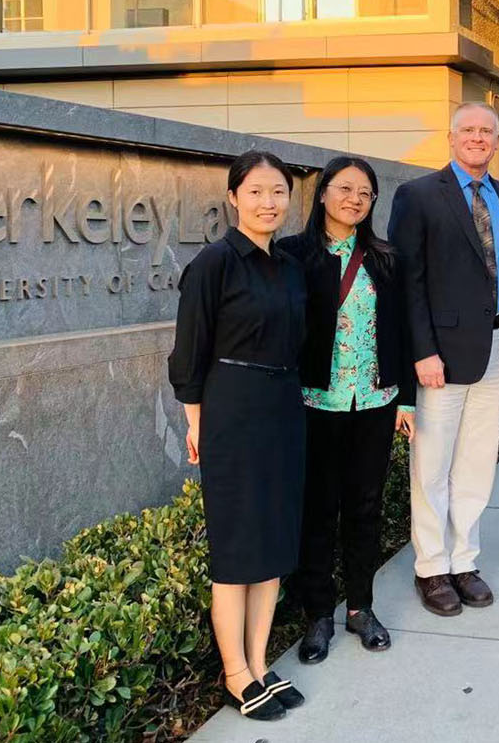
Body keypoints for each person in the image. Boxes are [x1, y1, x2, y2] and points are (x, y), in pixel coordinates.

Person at [169, 150, 308, 722]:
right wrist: (196, 423)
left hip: (283, 407)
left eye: (278, 192)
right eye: (255, 191)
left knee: (272, 542)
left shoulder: (292, 265)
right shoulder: (214, 264)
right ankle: (233, 674)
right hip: (231, 409)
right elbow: (189, 354)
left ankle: (258, 660)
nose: (268, 203)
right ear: (233, 197)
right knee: (236, 548)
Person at [389, 102, 499, 617]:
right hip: (440, 358)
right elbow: (409, 282)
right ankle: (431, 567)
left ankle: (464, 560)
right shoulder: (418, 196)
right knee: (432, 464)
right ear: (450, 137)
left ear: (496, 142)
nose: (477, 138)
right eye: (467, 130)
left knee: (475, 462)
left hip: (495, 347)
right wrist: (422, 351)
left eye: (486, 132)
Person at [278, 156, 414, 665]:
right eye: (345, 188)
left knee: (365, 508)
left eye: (365, 192)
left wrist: (406, 399)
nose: (354, 199)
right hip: (316, 402)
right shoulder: (294, 255)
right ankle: (318, 613)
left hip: (374, 402)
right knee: (318, 510)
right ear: (323, 193)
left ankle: (360, 606)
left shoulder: (384, 257)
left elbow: (400, 330)